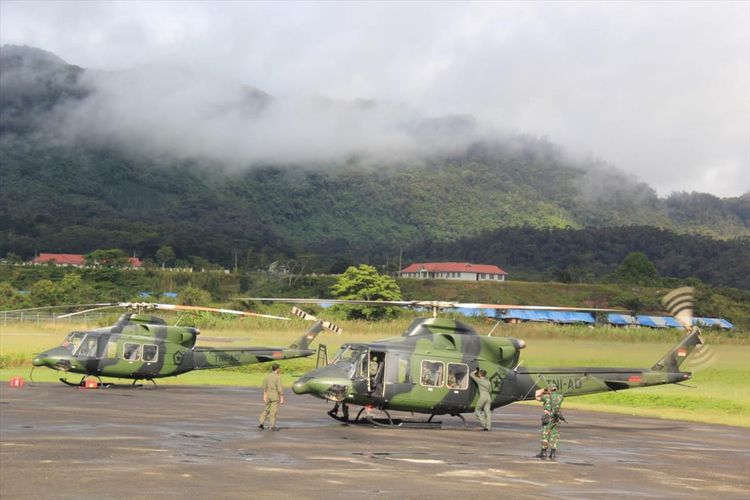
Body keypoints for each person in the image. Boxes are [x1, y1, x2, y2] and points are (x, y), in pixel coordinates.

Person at [535, 383, 564, 460]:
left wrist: (544, 390)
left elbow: (537, 395)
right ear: (556, 389)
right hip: (556, 418)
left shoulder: (546, 397)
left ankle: (543, 452)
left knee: (545, 435)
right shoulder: (560, 397)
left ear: (549, 389)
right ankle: (553, 453)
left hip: (548, 418)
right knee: (554, 436)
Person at [258, 363, 284, 431]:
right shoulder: (278, 377)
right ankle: (272, 426)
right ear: (278, 369)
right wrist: (281, 397)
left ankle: (261, 422)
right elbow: (279, 388)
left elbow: (264, 386)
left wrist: (264, 395)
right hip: (274, 395)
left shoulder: (267, 376)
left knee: (266, 409)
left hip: (268, 395)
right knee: (273, 412)